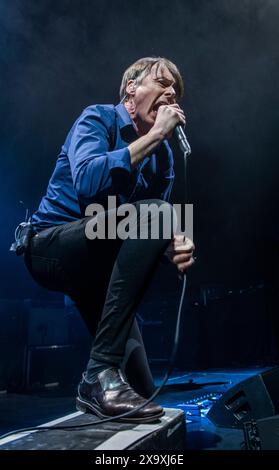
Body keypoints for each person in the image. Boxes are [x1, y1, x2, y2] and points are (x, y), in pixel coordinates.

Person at [23, 57, 195, 423]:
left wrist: (174, 245)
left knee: (142, 393)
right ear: (131, 89)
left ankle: (102, 381)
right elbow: (87, 181)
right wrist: (155, 137)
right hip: (51, 246)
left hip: (99, 265)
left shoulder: (161, 157)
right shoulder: (98, 118)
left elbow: (149, 226)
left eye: (175, 91)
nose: (170, 93)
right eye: (161, 83)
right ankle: (95, 376)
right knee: (160, 214)